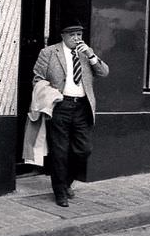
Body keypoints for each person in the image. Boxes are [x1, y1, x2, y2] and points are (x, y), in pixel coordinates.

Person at [32, 20, 109, 207]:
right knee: (60, 151)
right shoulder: (49, 53)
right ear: (63, 36)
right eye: (72, 35)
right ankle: (60, 192)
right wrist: (52, 96)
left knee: (84, 149)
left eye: (79, 35)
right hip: (60, 106)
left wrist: (91, 55)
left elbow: (104, 72)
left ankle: (66, 183)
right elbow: (37, 78)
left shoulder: (85, 54)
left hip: (82, 107)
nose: (76, 39)